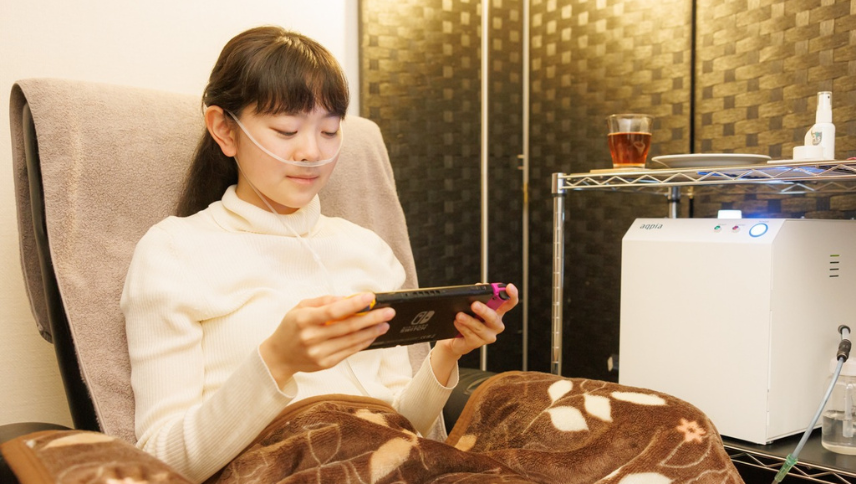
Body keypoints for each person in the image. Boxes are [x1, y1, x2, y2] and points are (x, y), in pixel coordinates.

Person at [120, 25, 519, 483]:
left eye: (329, 131)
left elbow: (402, 428)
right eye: (286, 130)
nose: (311, 151)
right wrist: (278, 360)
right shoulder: (173, 252)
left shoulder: (367, 250)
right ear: (225, 130)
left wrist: (447, 354)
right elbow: (162, 463)